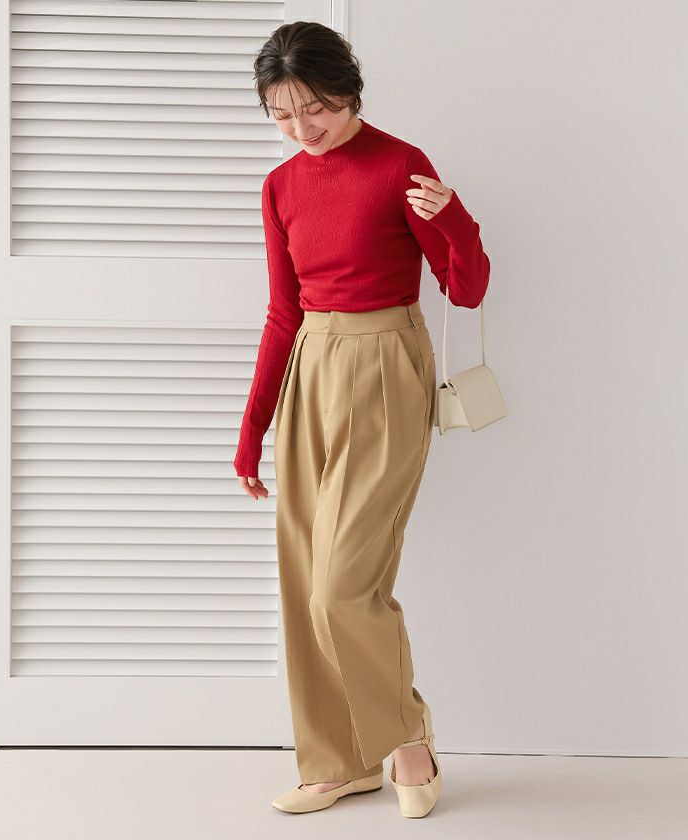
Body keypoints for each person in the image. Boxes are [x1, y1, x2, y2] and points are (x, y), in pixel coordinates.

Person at [234, 21, 490, 817]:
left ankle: (406, 737)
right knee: (303, 578)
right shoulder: (280, 186)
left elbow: (467, 290)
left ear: (348, 90)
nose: (302, 129)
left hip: (385, 365)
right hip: (310, 368)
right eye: (282, 114)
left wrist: (453, 217)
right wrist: (251, 430)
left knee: (343, 587)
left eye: (316, 108)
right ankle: (338, 759)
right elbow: (283, 312)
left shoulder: (400, 164)